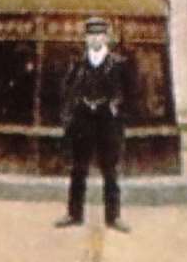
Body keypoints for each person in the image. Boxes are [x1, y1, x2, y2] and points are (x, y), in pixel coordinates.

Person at [55, 17, 132, 233]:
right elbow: (67, 89)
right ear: (86, 38)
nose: (95, 39)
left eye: (99, 35)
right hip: (82, 122)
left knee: (110, 170)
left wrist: (115, 107)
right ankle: (74, 213)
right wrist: (73, 109)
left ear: (106, 37)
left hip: (107, 122)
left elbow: (128, 92)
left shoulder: (117, 63)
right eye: (91, 35)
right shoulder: (78, 63)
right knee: (78, 169)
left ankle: (113, 217)